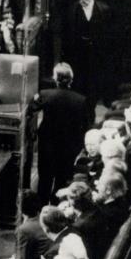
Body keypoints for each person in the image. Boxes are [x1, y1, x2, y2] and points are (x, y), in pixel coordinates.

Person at [31, 63, 89, 201]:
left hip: (47, 143)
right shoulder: (80, 100)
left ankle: (41, 206)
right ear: (71, 79)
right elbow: (85, 125)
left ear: (55, 78)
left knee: (44, 177)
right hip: (69, 146)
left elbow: (32, 109)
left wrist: (34, 100)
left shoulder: (45, 94)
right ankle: (57, 206)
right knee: (62, 179)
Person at [62, 0, 110, 109]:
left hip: (96, 55)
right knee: (78, 85)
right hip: (77, 55)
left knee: (93, 85)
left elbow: (108, 35)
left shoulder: (104, 10)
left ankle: (90, 112)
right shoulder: (72, 10)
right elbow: (65, 36)